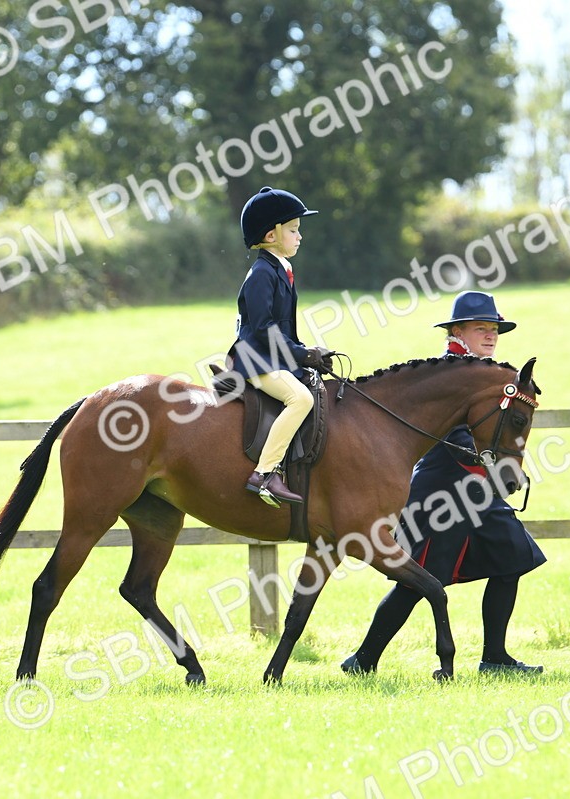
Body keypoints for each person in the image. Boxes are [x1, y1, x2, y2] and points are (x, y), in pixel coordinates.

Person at [341, 290, 548, 674]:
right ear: (457, 331)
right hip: (441, 491)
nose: (490, 336)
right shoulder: (444, 374)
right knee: (419, 581)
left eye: (494, 330)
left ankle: (495, 658)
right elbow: (448, 435)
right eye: (481, 328)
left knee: (512, 559)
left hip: (479, 490)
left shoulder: (490, 378)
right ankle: (363, 659)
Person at [228, 187, 331, 508]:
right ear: (271, 235)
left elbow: (285, 327)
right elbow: (262, 329)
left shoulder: (281, 270)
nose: (300, 237)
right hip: (254, 360)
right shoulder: (261, 274)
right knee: (299, 399)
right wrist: (301, 355)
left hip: (273, 357)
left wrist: (309, 352)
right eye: (294, 230)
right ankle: (265, 474)